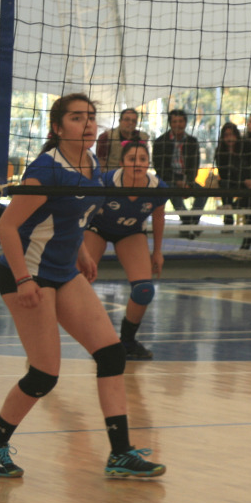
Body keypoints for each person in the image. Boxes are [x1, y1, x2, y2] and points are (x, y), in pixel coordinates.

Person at [0, 93, 165, 480]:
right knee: (44, 374)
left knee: (111, 354)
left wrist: (79, 252)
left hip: (63, 270)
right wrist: (25, 280)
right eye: (77, 118)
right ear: (58, 128)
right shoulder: (46, 171)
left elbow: (67, 218)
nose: (88, 124)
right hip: (26, 273)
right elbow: (7, 227)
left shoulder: (92, 162)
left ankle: (121, 453)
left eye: (91, 117)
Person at [81, 140, 169, 360]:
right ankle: (92, 340)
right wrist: (77, 244)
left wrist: (157, 251)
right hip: (97, 228)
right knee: (77, 283)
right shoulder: (105, 183)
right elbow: (81, 212)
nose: (138, 164)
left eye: (142, 159)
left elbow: (158, 215)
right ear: (122, 163)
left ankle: (128, 342)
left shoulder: (157, 187)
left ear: (149, 163)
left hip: (131, 232)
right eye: (132, 159)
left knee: (144, 290)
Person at [214, 122, 251, 251]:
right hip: (235, 184)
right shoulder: (220, 152)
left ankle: (233, 207)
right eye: (226, 135)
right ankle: (229, 217)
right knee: (224, 184)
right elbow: (224, 175)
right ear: (223, 137)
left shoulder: (247, 147)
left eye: (232, 134)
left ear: (237, 136)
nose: (230, 138)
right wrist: (244, 181)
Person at [152, 109, 202, 238]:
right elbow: (160, 168)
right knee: (172, 189)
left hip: (186, 178)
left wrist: (188, 182)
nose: (178, 124)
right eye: (174, 121)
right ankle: (187, 221)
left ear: (185, 123)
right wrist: (176, 181)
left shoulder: (192, 142)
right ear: (170, 123)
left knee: (202, 192)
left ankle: (193, 222)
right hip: (166, 178)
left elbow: (194, 166)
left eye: (180, 121)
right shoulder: (160, 142)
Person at [95, 109, 149, 173]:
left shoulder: (143, 137)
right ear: (120, 121)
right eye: (127, 120)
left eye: (134, 121)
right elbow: (101, 164)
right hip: (111, 177)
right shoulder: (106, 137)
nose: (130, 123)